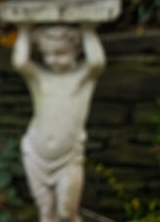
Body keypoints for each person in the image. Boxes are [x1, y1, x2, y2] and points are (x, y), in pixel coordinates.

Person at [13, 23, 105, 222]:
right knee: (46, 213)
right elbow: (21, 62)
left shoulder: (81, 79)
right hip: (35, 155)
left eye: (61, 53)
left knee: (67, 213)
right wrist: (23, 30)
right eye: (47, 54)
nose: (53, 59)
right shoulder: (40, 78)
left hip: (68, 158)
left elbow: (97, 62)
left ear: (77, 50)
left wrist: (88, 30)